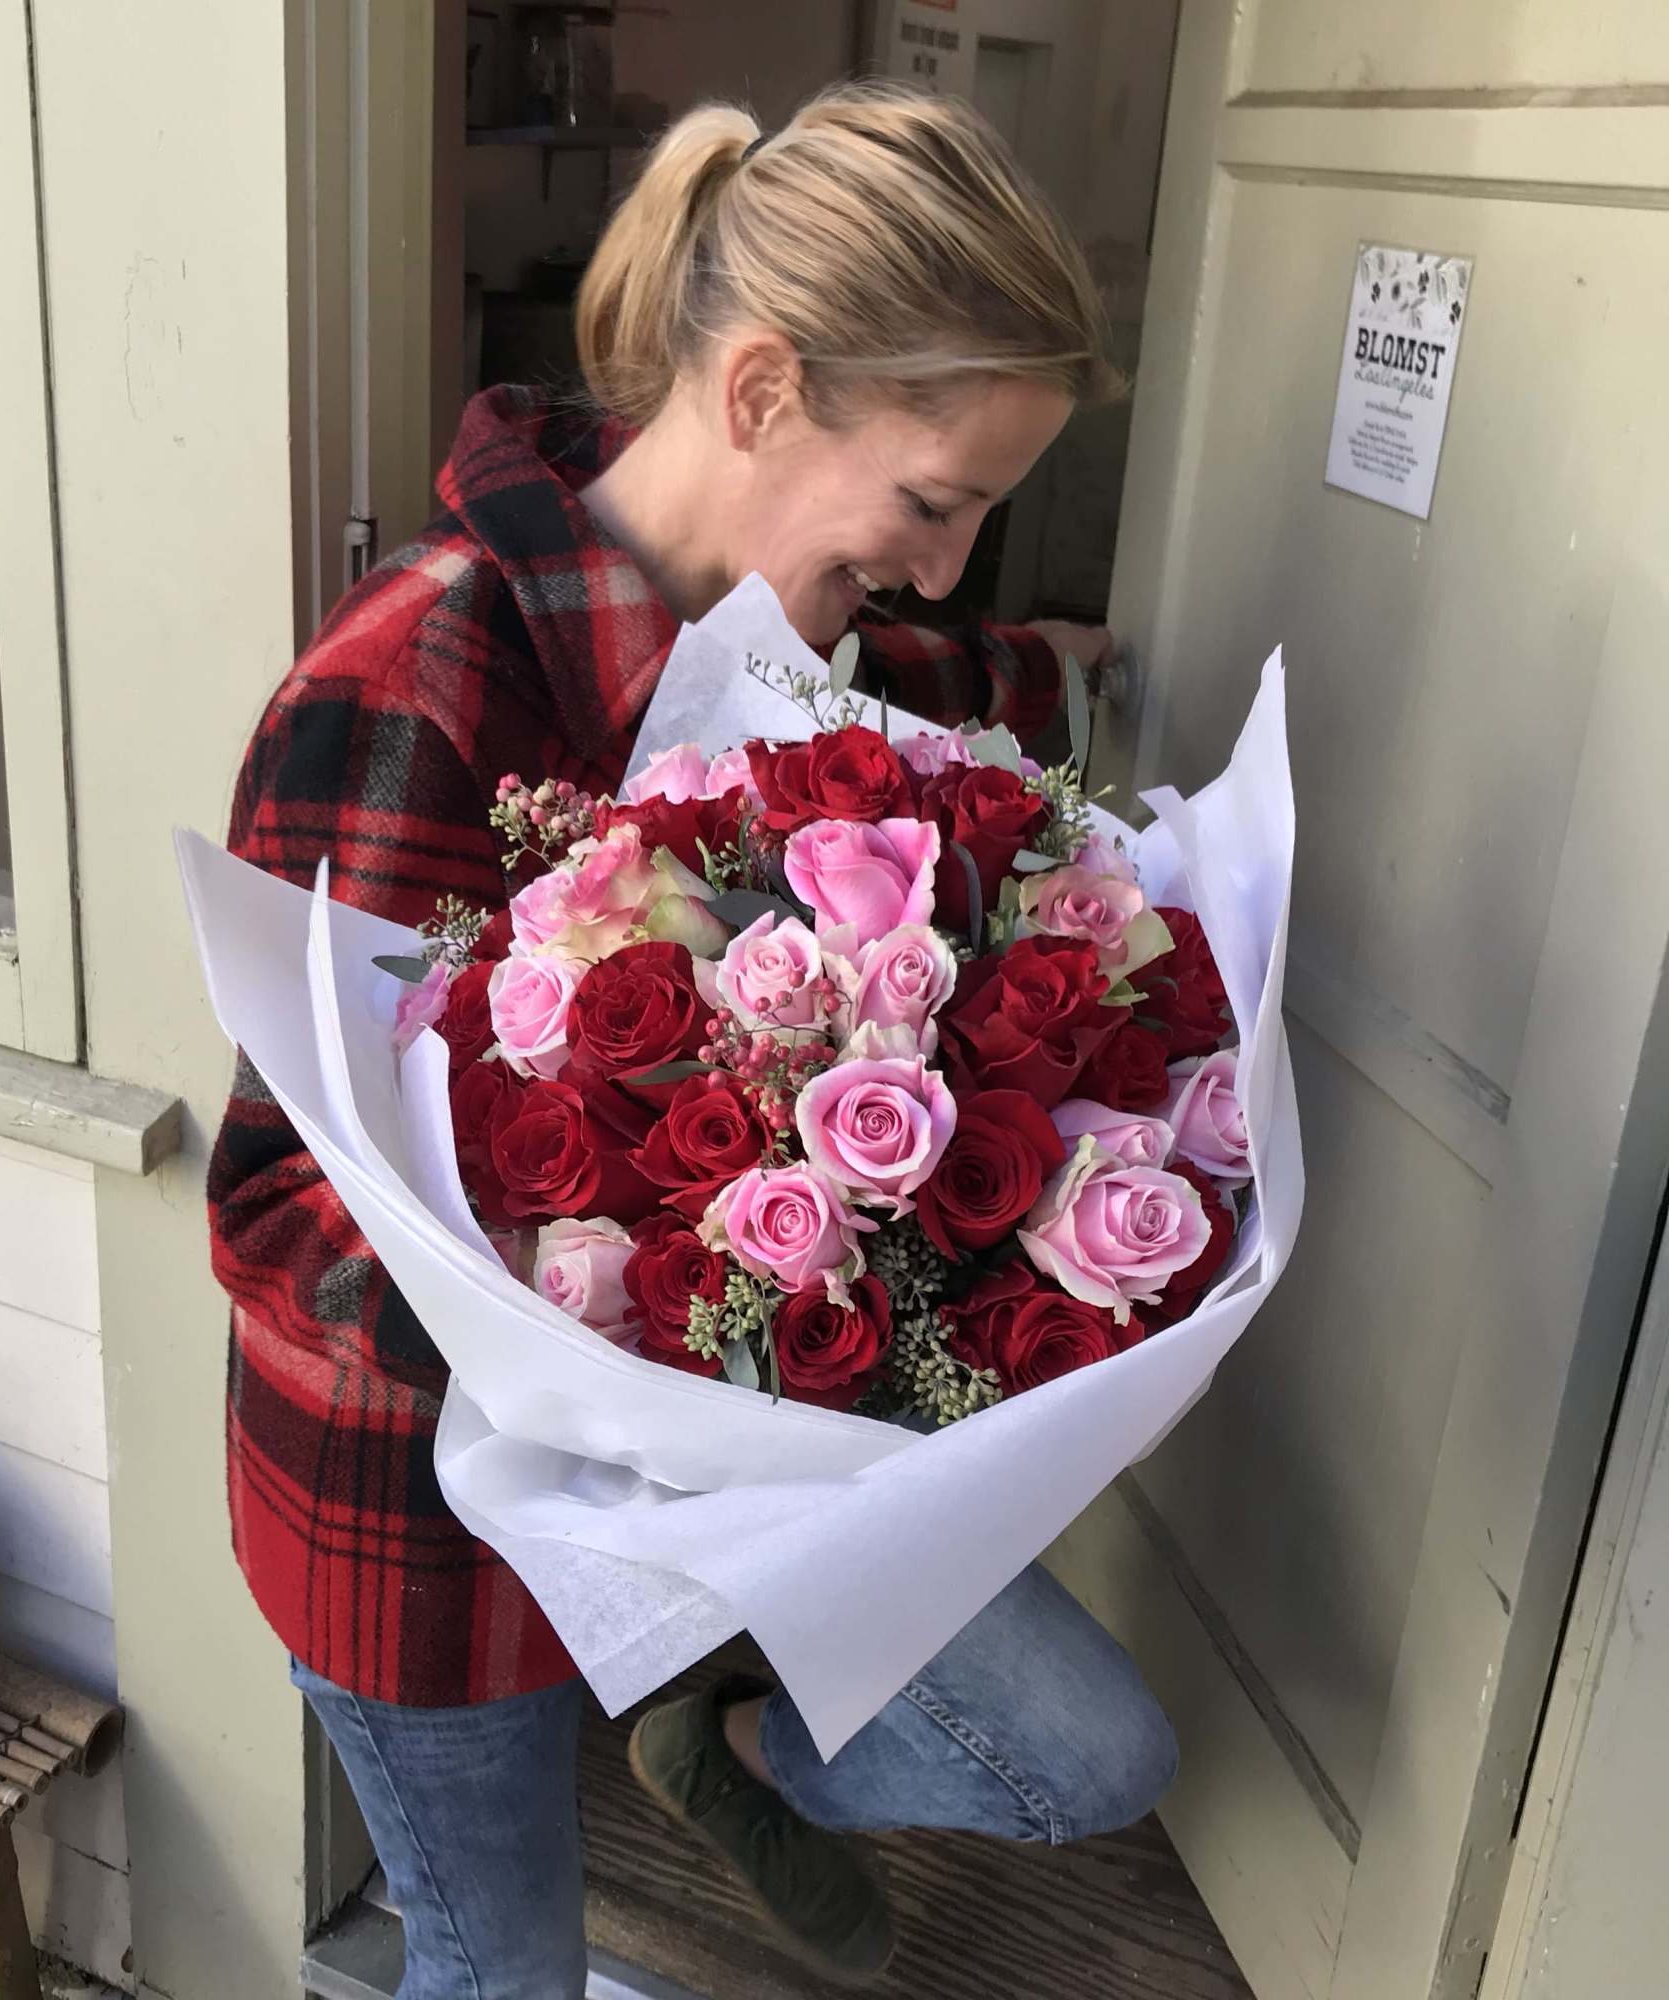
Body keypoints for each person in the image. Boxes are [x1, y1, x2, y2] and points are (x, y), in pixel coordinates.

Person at [210, 83, 1171, 1998]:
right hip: (424, 1536)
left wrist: (1062, 708)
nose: (942, 569)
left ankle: (723, 1749)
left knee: (1088, 1753)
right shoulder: (416, 681)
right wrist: (598, 1337)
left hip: (739, 1477)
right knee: (505, 1974)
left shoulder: (835, 656)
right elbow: (273, 1210)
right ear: (757, 392)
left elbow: (957, 681)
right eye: (930, 502)